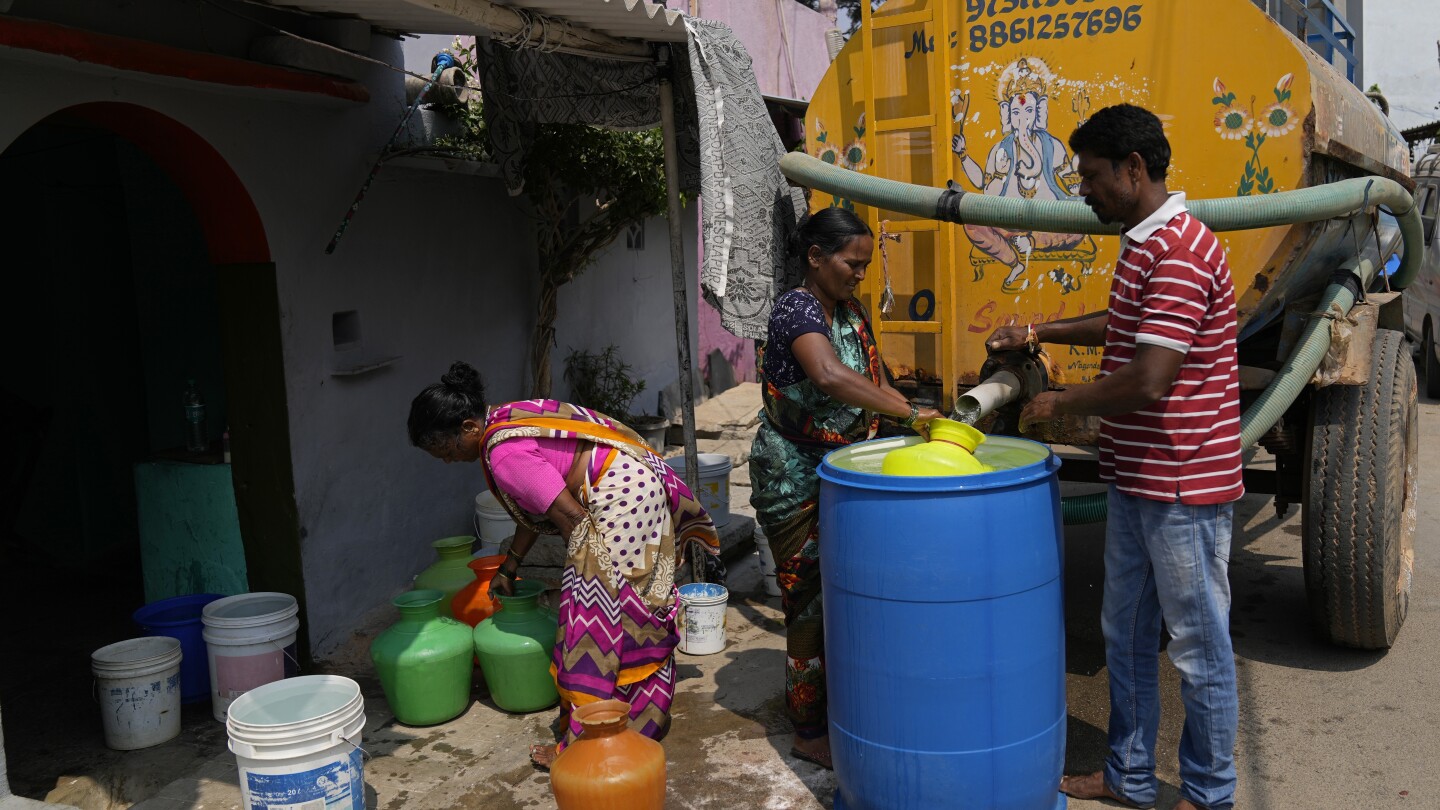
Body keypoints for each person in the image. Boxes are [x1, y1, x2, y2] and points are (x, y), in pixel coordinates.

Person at [988, 104, 1242, 810]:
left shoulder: (1181, 250)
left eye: (1092, 176)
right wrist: (1040, 331)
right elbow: (1126, 324)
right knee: (1125, 633)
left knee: (1197, 646)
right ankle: (1128, 776)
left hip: (1183, 483)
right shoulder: (1144, 242)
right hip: (1137, 476)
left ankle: (1209, 793)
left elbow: (1151, 376)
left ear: (1134, 169)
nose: (1084, 191)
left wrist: (1061, 402)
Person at [408, 362, 720, 768]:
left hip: (621, 501)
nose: (449, 461)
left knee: (599, 627)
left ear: (468, 427)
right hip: (639, 488)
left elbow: (570, 517)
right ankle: (641, 720)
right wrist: (510, 565)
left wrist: (589, 589)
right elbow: (538, 505)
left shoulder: (502, 453)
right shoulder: (506, 417)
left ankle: (593, 742)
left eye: (447, 451)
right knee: (640, 607)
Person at [749, 208, 942, 770]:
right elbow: (830, 375)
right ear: (815, 258)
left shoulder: (851, 312)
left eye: (864, 264)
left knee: (850, 593)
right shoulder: (796, 309)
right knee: (807, 601)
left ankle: (847, 700)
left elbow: (874, 380)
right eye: (851, 264)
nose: (861, 274)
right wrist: (911, 413)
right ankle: (807, 728)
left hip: (846, 471)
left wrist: (919, 422)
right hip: (793, 478)